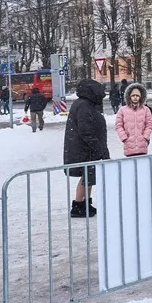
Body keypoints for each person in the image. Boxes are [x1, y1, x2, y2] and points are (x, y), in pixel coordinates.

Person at [63, 78, 109, 218]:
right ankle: (78, 205)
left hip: (85, 148)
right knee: (86, 176)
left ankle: (85, 204)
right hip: (85, 149)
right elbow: (85, 130)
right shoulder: (84, 105)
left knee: (89, 176)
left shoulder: (85, 104)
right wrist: (97, 148)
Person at [115, 83, 152, 157]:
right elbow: (118, 126)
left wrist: (145, 137)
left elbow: (149, 124)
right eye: (133, 95)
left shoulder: (146, 110)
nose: (135, 97)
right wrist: (124, 138)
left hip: (142, 146)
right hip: (129, 146)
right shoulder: (122, 110)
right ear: (129, 96)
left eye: (137, 95)